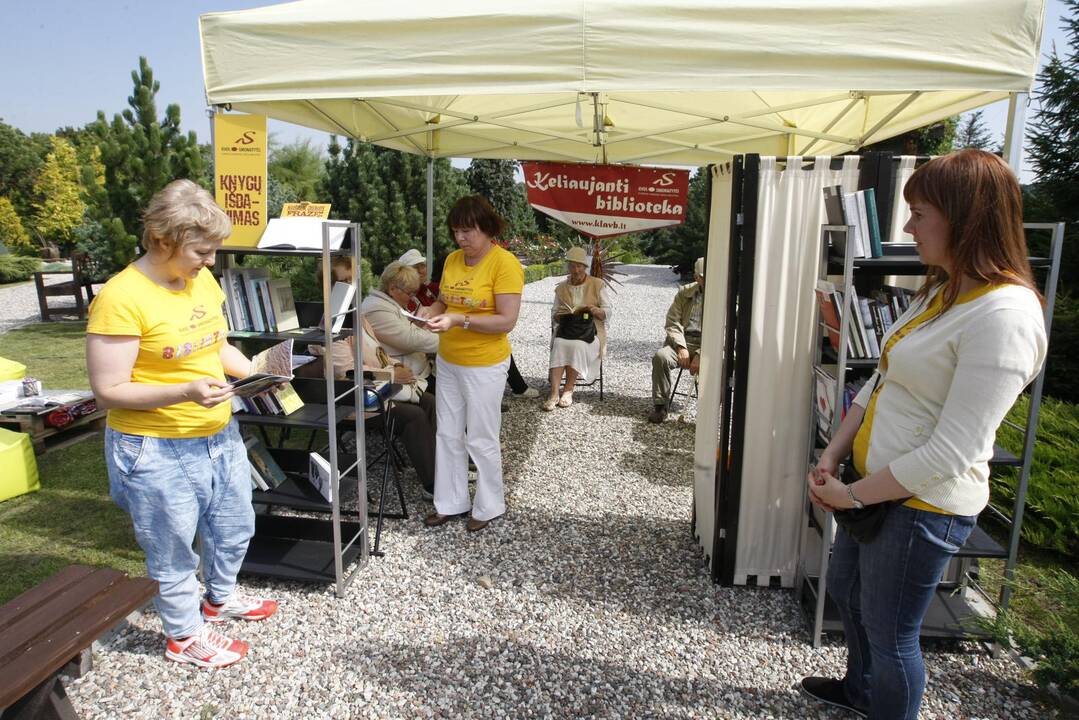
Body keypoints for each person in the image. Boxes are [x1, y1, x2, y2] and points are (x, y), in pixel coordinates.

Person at [800, 149, 1047, 720]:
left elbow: (952, 451)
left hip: (920, 505)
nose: (908, 227)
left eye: (920, 213)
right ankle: (861, 694)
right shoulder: (943, 291)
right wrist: (835, 452)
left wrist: (853, 495)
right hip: (873, 485)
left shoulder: (1003, 316)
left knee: (891, 635)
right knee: (851, 596)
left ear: (969, 217)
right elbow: (881, 377)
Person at [85, 179, 277, 669]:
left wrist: (256, 372)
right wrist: (185, 391)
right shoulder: (121, 297)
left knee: (235, 526)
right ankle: (184, 636)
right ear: (163, 240)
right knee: (172, 549)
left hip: (218, 433)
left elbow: (214, 345)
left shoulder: (201, 281)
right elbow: (109, 390)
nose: (210, 261)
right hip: (153, 446)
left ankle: (219, 598)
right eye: (201, 250)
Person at [419, 195, 524, 532]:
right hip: (449, 359)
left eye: (467, 231)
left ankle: (490, 505)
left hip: (485, 364)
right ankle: (450, 502)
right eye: (456, 232)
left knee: (480, 436)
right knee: (448, 433)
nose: (460, 238)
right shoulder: (452, 259)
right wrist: (427, 314)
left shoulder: (504, 264)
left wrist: (459, 320)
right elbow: (441, 301)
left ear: (487, 228)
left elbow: (506, 321)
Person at [357, 316, 437, 496]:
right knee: (412, 415)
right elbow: (343, 370)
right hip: (361, 400)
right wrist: (392, 375)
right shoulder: (336, 328)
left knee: (430, 401)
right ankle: (433, 484)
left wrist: (398, 365)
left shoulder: (360, 319)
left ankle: (445, 467)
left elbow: (381, 354)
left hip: (382, 388)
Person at [543, 246, 611, 411]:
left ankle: (568, 389)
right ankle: (554, 393)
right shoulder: (561, 288)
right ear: (568, 267)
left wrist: (596, 310)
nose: (575, 270)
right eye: (572, 266)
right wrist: (559, 315)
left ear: (585, 267)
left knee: (577, 345)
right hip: (567, 329)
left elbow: (608, 311)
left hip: (590, 331)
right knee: (559, 343)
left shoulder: (597, 284)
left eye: (579, 266)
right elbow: (554, 313)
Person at [647, 256, 705, 423]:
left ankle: (711, 409)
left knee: (721, 364)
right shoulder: (684, 292)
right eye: (703, 276)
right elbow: (672, 322)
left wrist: (702, 353)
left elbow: (724, 330)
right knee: (661, 357)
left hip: (709, 345)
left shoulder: (723, 296)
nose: (707, 280)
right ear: (696, 277)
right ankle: (660, 405)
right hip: (683, 340)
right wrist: (681, 347)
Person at [361, 261, 439, 366]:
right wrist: (451, 341)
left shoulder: (386, 303)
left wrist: (416, 325)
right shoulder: (376, 309)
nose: (412, 297)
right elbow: (410, 339)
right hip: (404, 374)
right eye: (409, 293)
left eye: (414, 293)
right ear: (392, 289)